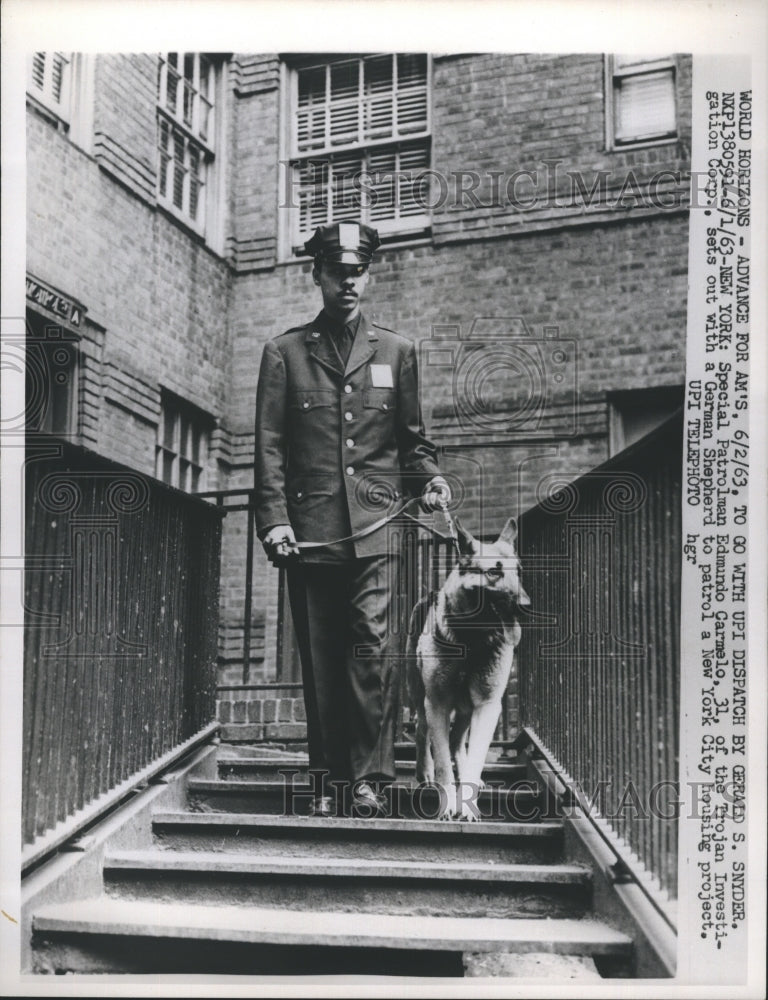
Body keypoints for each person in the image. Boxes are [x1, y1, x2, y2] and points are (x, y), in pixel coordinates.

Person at [254, 220, 450, 818]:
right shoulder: (285, 353)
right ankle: (326, 778)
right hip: (311, 533)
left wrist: (431, 479)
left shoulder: (397, 352)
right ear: (317, 276)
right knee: (321, 655)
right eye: (337, 273)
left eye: (357, 273)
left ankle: (368, 777)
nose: (348, 283)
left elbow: (412, 443)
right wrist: (275, 520)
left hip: (377, 529)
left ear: (369, 275)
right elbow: (268, 446)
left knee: (371, 645)